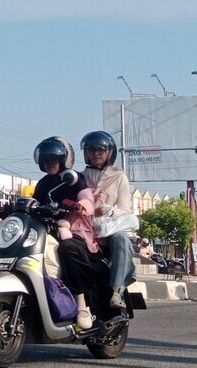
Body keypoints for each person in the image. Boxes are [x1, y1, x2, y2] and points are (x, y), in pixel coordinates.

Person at [32, 136, 100, 330]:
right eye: (45, 160)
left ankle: (81, 304)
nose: (49, 164)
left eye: (53, 160)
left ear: (63, 160)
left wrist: (80, 205)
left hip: (77, 230)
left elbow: (88, 200)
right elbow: (34, 203)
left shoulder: (74, 179)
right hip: (48, 231)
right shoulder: (43, 184)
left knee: (67, 248)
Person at [80, 130, 135, 310]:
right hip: (84, 229)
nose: (96, 154)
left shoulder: (119, 177)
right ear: (86, 153)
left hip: (109, 229)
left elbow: (125, 209)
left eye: (101, 150)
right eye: (92, 150)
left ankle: (116, 291)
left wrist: (109, 211)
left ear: (109, 153)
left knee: (121, 239)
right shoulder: (81, 177)